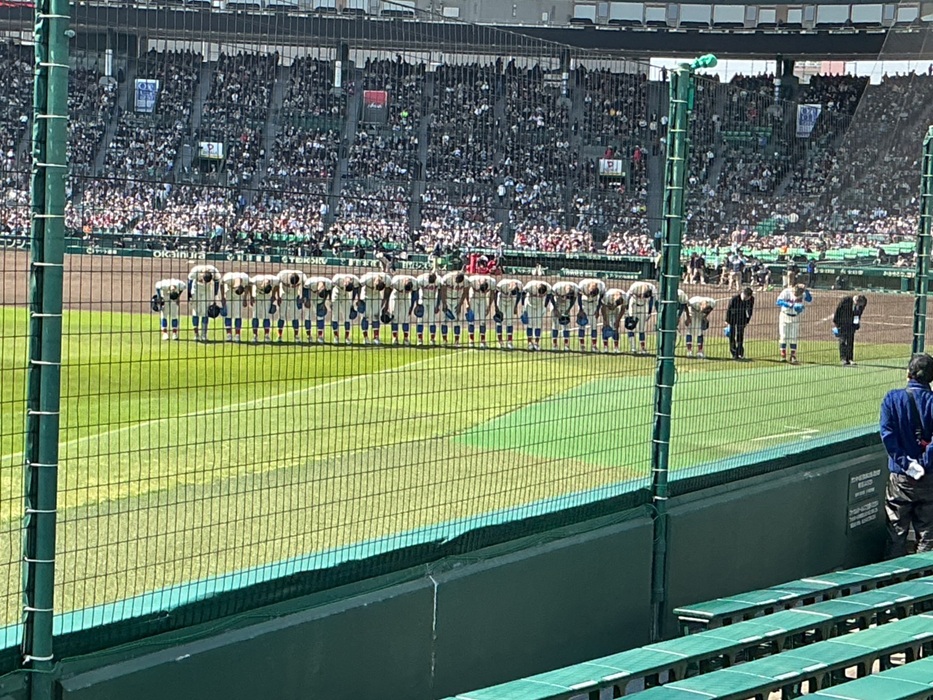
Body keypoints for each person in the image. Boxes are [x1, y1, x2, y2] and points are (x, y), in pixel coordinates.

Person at [880, 353, 933, 558]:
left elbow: (888, 435)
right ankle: (923, 581)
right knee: (927, 533)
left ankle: (892, 582)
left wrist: (906, 463)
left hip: (901, 478)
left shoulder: (892, 399)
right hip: (929, 477)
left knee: (896, 532)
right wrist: (925, 463)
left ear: (908, 374)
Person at [776, 282, 812, 364]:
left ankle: (793, 355)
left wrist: (806, 290)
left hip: (795, 317)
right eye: (797, 293)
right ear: (794, 289)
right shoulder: (786, 292)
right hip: (784, 315)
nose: (797, 295)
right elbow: (778, 301)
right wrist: (790, 305)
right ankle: (783, 354)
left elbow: (809, 299)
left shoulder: (803, 293)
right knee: (783, 335)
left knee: (793, 336)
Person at [188, 264, 221, 342]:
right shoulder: (195, 271)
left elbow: (217, 282)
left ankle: (204, 335)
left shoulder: (215, 272)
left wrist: (215, 295)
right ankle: (196, 334)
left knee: (205, 312)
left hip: (207, 291)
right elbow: (189, 282)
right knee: (196, 312)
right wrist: (189, 295)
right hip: (196, 290)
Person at [833, 294, 868, 366]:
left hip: (851, 324)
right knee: (842, 341)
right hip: (842, 322)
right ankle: (843, 359)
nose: (860, 306)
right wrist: (837, 324)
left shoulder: (862, 304)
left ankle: (850, 359)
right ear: (856, 301)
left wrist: (856, 324)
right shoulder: (846, 300)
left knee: (850, 341)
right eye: (859, 304)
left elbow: (858, 314)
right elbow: (838, 311)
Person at [360, 271, 391, 345]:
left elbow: (388, 290)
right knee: (365, 316)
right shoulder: (366, 278)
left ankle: (376, 337)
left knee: (376, 316)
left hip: (377, 296)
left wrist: (385, 302)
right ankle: (365, 338)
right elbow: (359, 285)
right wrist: (359, 299)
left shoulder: (387, 279)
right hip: (366, 294)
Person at [626, 281, 657, 354]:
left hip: (644, 306)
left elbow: (652, 301)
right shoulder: (635, 286)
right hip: (633, 305)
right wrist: (627, 309)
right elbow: (628, 297)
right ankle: (633, 348)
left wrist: (649, 312)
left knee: (642, 328)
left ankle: (643, 348)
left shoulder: (652, 288)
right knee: (631, 327)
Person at [220, 271, 252, 343]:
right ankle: (229, 335)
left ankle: (237, 335)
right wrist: (222, 297)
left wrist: (244, 298)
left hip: (239, 296)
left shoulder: (245, 278)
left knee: (238, 314)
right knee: (228, 314)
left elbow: (247, 286)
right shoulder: (228, 277)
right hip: (229, 292)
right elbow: (221, 284)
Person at [276, 270, 306, 343]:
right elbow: (276, 285)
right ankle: (279, 336)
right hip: (284, 294)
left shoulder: (302, 276)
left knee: (295, 316)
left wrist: (302, 296)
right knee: (281, 316)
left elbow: (305, 286)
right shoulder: (282, 274)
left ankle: (296, 336)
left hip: (295, 296)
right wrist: (277, 296)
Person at [725, 287, 755, 360]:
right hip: (733, 317)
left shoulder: (751, 299)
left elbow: (750, 311)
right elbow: (728, 310)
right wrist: (727, 321)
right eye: (747, 297)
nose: (747, 299)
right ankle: (734, 353)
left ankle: (740, 353)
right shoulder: (734, 299)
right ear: (744, 294)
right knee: (732, 335)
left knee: (740, 335)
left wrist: (747, 321)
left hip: (742, 318)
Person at [304, 275, 334, 344]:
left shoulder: (328, 283)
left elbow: (329, 292)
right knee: (307, 316)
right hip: (310, 295)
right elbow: (305, 289)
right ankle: (309, 336)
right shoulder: (310, 282)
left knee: (320, 315)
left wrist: (325, 302)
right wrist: (306, 300)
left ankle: (320, 336)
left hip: (321, 298)